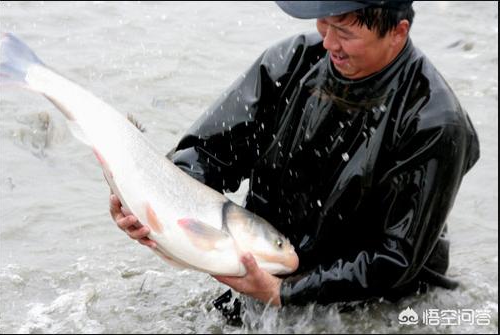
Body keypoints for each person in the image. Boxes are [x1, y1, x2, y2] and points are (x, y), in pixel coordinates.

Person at [110, 0, 480, 309]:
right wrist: (151, 206)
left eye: (345, 32)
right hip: (269, 269)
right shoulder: (290, 62)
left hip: (380, 303)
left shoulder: (434, 123)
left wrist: (284, 292)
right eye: (324, 24)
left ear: (398, 33)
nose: (328, 43)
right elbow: (207, 155)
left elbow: (395, 258)